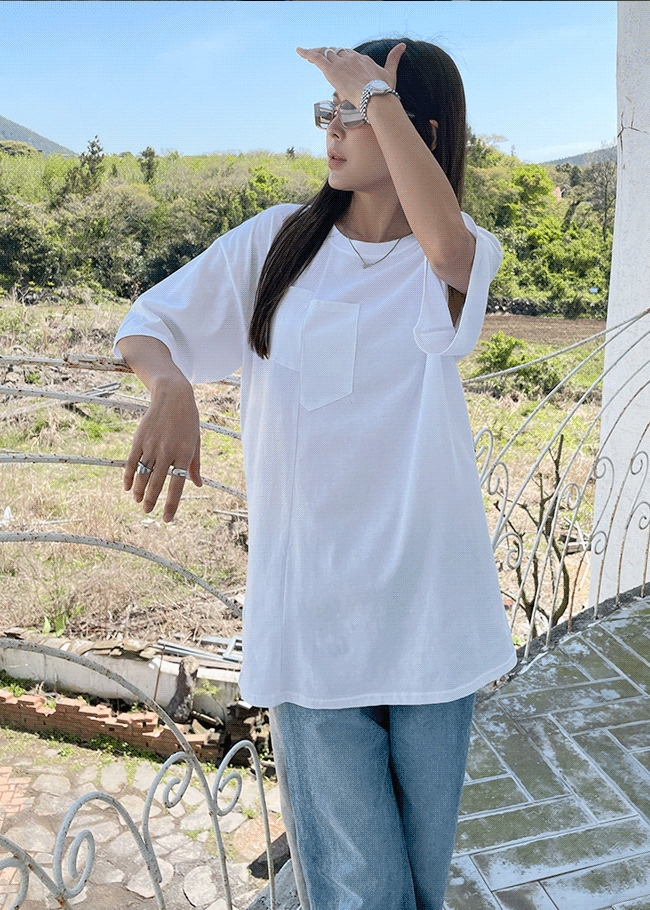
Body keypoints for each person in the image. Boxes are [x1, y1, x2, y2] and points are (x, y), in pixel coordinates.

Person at [114, 38, 518, 910]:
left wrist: (375, 93)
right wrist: (172, 385)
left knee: (419, 881)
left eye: (353, 111)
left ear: (418, 130)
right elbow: (148, 324)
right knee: (362, 889)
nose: (332, 129)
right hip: (313, 624)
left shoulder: (453, 258)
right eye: (328, 110)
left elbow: (445, 245)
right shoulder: (276, 244)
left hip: (433, 615)